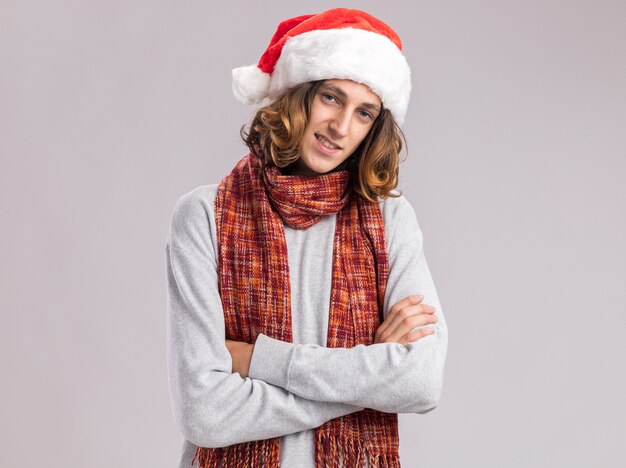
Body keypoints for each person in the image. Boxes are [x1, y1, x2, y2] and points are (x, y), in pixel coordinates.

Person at [165, 7, 448, 468]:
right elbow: (205, 412)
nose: (341, 128)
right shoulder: (204, 215)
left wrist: (260, 359)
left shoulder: (391, 221)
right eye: (332, 98)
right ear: (297, 95)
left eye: (364, 113)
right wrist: (370, 374)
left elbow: (420, 381)